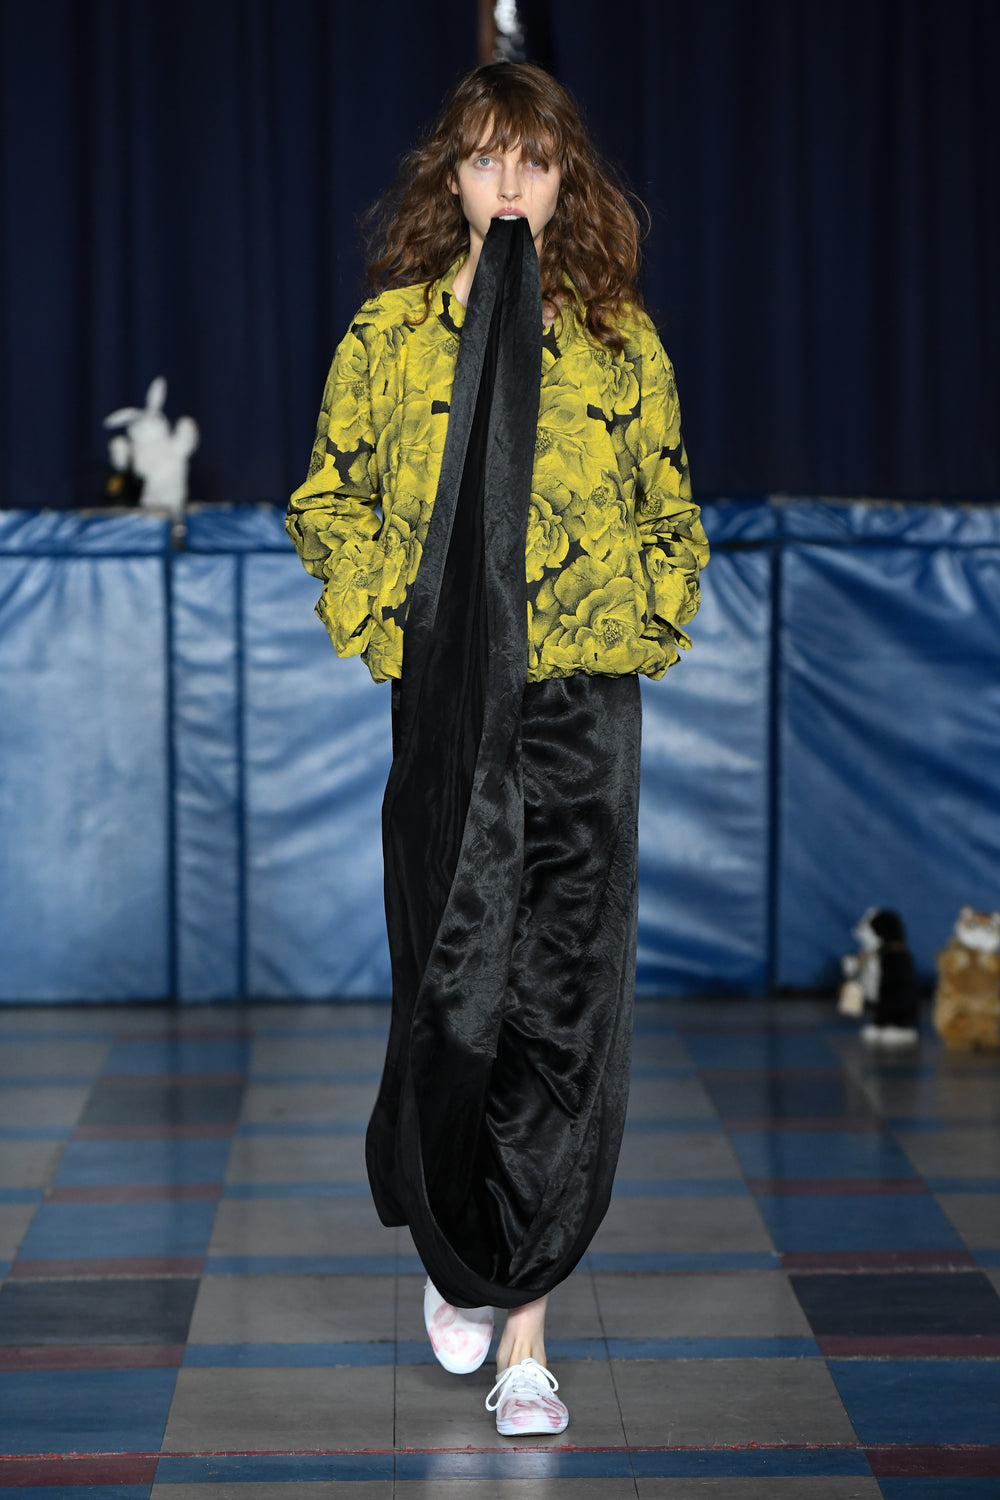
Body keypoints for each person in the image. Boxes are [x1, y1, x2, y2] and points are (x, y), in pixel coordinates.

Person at [286, 60, 709, 1438]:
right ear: (452, 177)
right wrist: (397, 629)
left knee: (565, 1005)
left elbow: (671, 508)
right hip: (449, 709)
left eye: (533, 160)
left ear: (566, 176)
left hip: (583, 706)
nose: (510, 184)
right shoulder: (390, 338)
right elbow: (330, 498)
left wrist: (634, 613)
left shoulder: (619, 341)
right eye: (484, 159)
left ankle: (524, 1327)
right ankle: (457, 1237)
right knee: (454, 994)